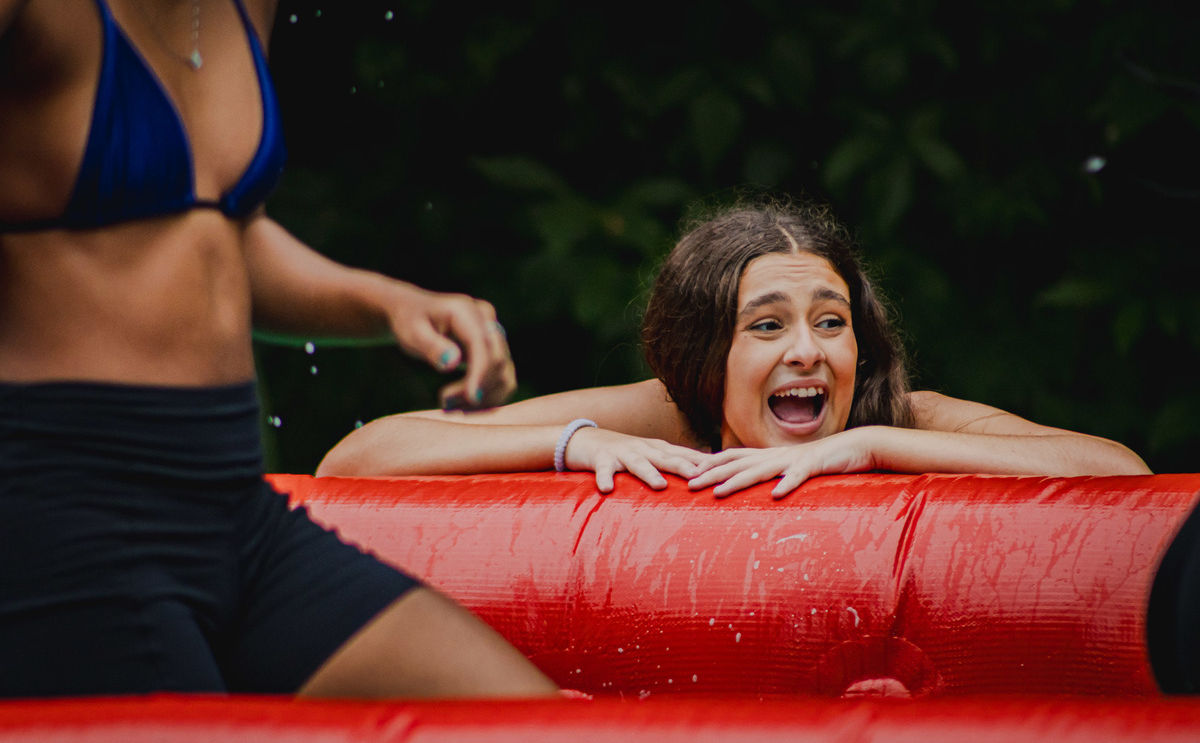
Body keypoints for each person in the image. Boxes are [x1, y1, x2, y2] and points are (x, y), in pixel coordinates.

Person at [0, 0, 556, 698]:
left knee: (522, 715)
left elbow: (208, 231)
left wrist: (392, 303)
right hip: (65, 512)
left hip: (232, 510)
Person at [317, 197, 1150, 496]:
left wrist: (871, 447)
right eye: (767, 325)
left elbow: (1122, 474)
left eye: (831, 322)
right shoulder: (665, 416)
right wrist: (572, 443)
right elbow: (358, 458)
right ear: (702, 352)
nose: (808, 352)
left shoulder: (896, 417)